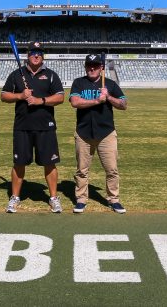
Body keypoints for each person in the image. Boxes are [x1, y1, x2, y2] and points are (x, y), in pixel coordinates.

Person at [0, 41, 65, 213]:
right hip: (22, 126)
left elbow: (60, 97)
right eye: (33, 52)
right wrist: (21, 95)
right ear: (27, 55)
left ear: (43, 56)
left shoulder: (50, 75)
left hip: (46, 127)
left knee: (50, 163)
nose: (36, 55)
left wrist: (40, 101)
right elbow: (3, 95)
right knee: (19, 163)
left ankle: (53, 198)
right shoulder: (16, 74)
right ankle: (15, 198)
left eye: (39, 53)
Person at [68, 54, 128, 214]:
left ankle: (114, 199)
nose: (92, 68)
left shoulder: (110, 84)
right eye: (89, 65)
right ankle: (81, 199)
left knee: (112, 170)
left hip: (106, 133)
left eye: (95, 65)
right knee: (81, 170)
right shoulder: (78, 83)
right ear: (85, 67)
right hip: (83, 133)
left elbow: (123, 105)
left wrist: (108, 97)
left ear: (101, 67)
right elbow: (75, 102)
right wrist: (97, 101)